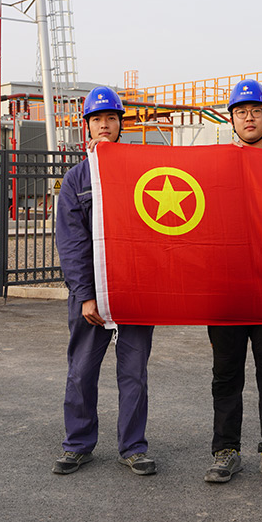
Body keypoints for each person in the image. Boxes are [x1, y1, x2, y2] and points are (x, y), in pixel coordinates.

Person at [52, 86, 157, 477]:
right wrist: (85, 295)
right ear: (87, 126)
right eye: (97, 119)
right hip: (91, 295)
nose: (104, 125)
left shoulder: (142, 172)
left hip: (134, 292)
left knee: (134, 374)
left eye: (111, 118)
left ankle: (133, 447)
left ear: (120, 125)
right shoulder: (76, 180)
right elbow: (72, 244)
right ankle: (78, 444)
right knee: (81, 371)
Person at [204, 79, 262, 488]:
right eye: (241, 112)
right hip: (226, 290)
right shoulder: (214, 168)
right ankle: (226, 450)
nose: (249, 118)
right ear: (232, 119)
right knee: (226, 374)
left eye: (256, 110)